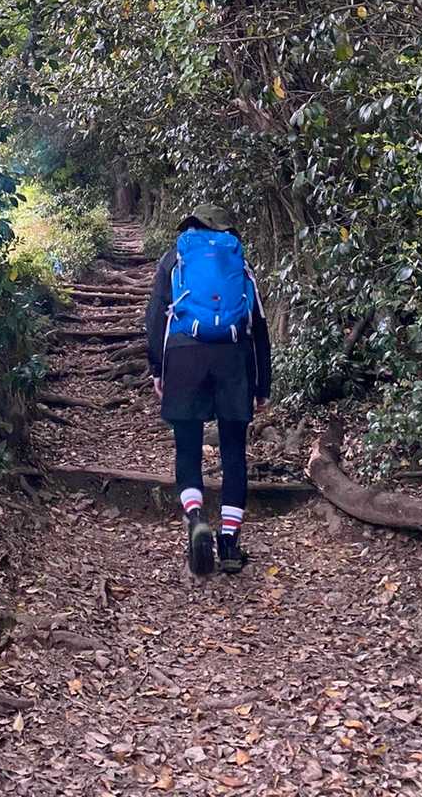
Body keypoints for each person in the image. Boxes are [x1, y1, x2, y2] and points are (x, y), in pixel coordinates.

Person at [146, 202, 271, 576]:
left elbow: (155, 317)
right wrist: (262, 384)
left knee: (188, 448)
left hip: (184, 356)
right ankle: (229, 543)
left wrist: (158, 369)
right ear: (226, 229)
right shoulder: (239, 263)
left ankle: (196, 516)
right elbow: (258, 325)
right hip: (234, 359)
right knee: (234, 452)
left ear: (192, 225)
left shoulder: (174, 259)